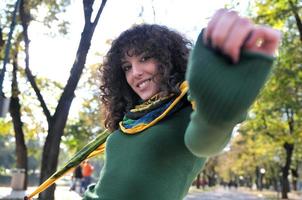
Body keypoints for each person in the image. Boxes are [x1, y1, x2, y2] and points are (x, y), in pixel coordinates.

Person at [83, 9, 280, 200]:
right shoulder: (130, 120)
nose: (135, 72)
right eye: (127, 67)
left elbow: (205, 140)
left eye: (144, 58)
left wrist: (217, 110)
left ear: (168, 59)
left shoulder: (189, 109)